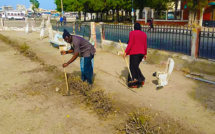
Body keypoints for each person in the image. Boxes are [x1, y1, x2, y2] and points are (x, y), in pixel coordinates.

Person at [124, 22, 147, 88]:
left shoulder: (132, 33)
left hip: (134, 53)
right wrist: (145, 54)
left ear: (134, 27)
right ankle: (138, 80)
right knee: (135, 66)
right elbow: (145, 45)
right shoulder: (144, 34)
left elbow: (130, 43)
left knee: (133, 67)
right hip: (141, 54)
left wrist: (126, 52)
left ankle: (138, 80)